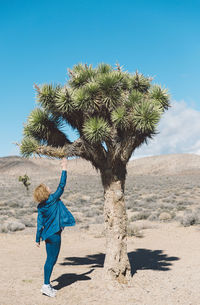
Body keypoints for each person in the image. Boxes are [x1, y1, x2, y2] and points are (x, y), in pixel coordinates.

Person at [33, 158, 76, 297]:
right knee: (52, 260)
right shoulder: (53, 199)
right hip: (55, 235)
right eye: (46, 187)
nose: (48, 187)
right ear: (45, 192)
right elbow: (62, 185)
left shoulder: (40, 206)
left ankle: (47, 284)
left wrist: (37, 239)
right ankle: (45, 285)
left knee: (49, 259)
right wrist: (64, 167)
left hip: (47, 235)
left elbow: (40, 224)